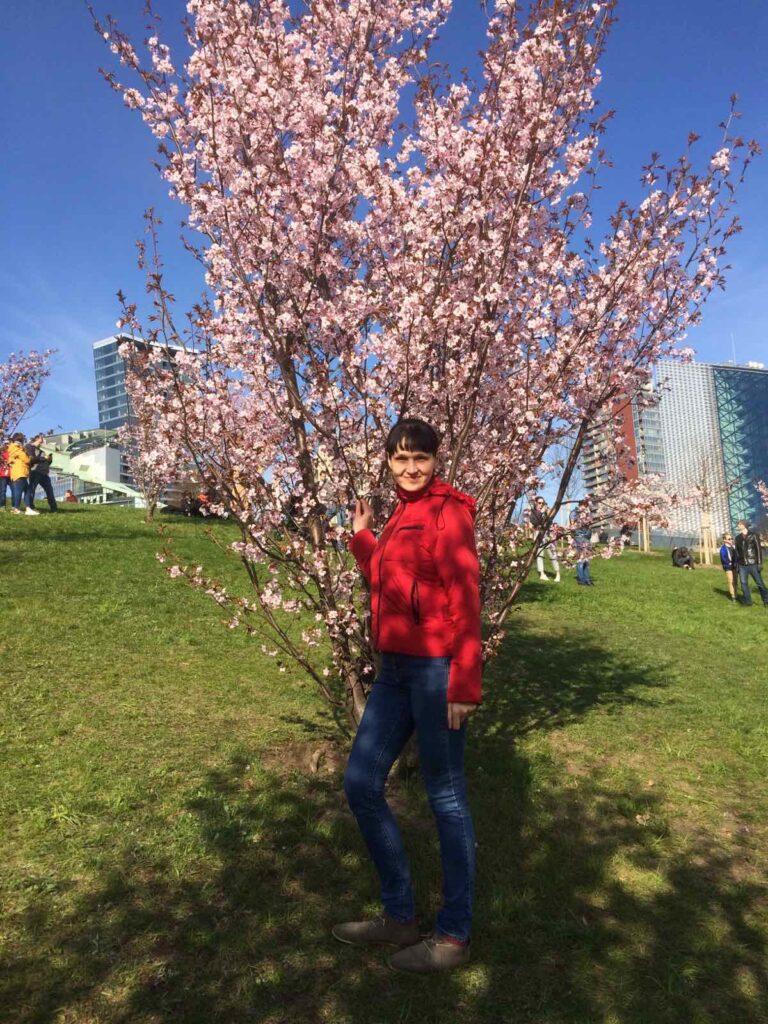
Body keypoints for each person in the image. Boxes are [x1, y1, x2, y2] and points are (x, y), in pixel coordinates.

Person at [335, 418, 479, 975]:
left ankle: (453, 936)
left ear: (435, 459)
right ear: (389, 462)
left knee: (446, 797)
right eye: (400, 458)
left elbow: (465, 594)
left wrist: (464, 681)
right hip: (394, 669)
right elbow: (390, 583)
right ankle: (399, 916)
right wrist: (363, 538)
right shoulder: (398, 513)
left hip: (437, 671)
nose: (411, 467)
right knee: (361, 783)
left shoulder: (449, 511)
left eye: (420, 457)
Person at [734, 519, 768, 607]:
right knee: (743, 584)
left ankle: (766, 600)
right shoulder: (737, 538)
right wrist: (737, 565)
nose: (738, 526)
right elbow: (737, 552)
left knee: (759, 583)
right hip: (742, 565)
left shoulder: (754, 535)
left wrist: (759, 563)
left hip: (753, 564)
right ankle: (748, 602)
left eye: (739, 524)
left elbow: (758, 550)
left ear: (744, 525)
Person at [6, 433, 39, 516]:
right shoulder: (16, 447)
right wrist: (29, 457)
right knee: (19, 491)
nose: (24, 440)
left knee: (27, 491)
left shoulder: (16, 447)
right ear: (20, 440)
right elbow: (26, 459)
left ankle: (27, 508)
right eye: (23, 439)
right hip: (19, 472)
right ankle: (16, 508)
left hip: (20, 472)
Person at [530, 495, 561, 582]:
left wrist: (548, 512)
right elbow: (534, 522)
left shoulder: (546, 511)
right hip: (538, 533)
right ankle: (542, 573)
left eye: (542, 503)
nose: (541, 504)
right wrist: (540, 512)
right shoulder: (533, 512)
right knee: (540, 554)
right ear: (535, 503)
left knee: (552, 554)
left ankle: (557, 573)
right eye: (539, 503)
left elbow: (551, 520)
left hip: (547, 534)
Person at [25, 434, 57, 512]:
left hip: (44, 473)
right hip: (35, 472)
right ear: (36, 439)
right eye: (41, 440)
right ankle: (30, 507)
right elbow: (32, 459)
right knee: (32, 489)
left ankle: (54, 508)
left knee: (49, 490)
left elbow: (44, 462)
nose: (42, 442)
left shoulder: (41, 451)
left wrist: (49, 460)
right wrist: (43, 458)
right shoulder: (29, 447)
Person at [569, 498, 594, 586]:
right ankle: (581, 580)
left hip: (587, 537)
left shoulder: (588, 513)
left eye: (587, 506)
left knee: (586, 560)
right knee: (581, 559)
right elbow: (572, 526)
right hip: (579, 537)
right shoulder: (574, 513)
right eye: (584, 505)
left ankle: (587, 579)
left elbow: (590, 524)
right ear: (580, 505)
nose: (586, 507)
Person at [719, 532, 739, 602]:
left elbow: (737, 556)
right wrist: (728, 564)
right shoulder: (723, 549)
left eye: (732, 538)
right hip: (728, 567)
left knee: (735, 581)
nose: (731, 540)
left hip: (735, 566)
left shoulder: (733, 547)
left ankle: (736, 594)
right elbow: (723, 558)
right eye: (729, 539)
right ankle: (733, 596)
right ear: (724, 540)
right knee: (731, 581)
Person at [0, 442, 11, 509]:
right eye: (6, 444)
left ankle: (15, 506)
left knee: (14, 490)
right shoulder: (1, 453)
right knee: (3, 491)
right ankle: (2, 506)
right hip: (3, 475)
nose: (7, 445)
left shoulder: (12, 453)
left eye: (8, 444)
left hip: (11, 474)